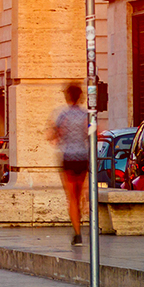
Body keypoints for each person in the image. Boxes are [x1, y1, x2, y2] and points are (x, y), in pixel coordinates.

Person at [50, 83, 91, 246]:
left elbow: (54, 135)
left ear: (68, 97)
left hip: (68, 157)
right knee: (80, 194)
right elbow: (94, 133)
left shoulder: (63, 115)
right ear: (81, 97)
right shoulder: (86, 115)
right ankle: (83, 208)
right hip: (83, 157)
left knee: (71, 197)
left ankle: (77, 233)